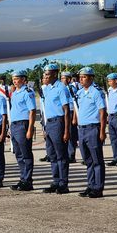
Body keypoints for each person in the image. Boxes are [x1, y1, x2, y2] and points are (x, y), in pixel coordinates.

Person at [75, 67, 107, 198]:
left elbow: (102, 112)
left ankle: (98, 188)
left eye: (84, 77)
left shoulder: (96, 92)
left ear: (91, 78)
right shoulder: (80, 92)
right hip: (82, 129)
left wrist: (102, 131)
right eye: (80, 77)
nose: (81, 79)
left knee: (97, 160)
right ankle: (91, 185)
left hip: (93, 128)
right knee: (88, 160)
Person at [42, 63, 71, 194]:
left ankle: (63, 183)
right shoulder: (47, 88)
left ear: (54, 74)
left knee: (61, 155)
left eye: (47, 74)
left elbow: (66, 110)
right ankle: (56, 181)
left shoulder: (61, 88)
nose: (45, 76)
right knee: (52, 155)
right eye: (44, 74)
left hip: (58, 122)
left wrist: (66, 130)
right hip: (49, 123)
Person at [9, 70, 36, 191]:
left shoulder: (27, 92)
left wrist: (30, 129)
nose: (15, 81)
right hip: (15, 125)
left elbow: (32, 111)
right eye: (13, 79)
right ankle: (23, 178)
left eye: (17, 78)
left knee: (26, 154)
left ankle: (28, 180)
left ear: (24, 79)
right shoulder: (15, 93)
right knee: (19, 154)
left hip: (23, 124)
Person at [61, 71, 79, 163]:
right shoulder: (60, 88)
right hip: (63, 113)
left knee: (71, 135)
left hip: (71, 112)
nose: (62, 80)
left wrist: (75, 117)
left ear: (68, 79)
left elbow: (75, 104)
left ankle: (71, 155)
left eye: (63, 78)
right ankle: (66, 154)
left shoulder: (72, 89)